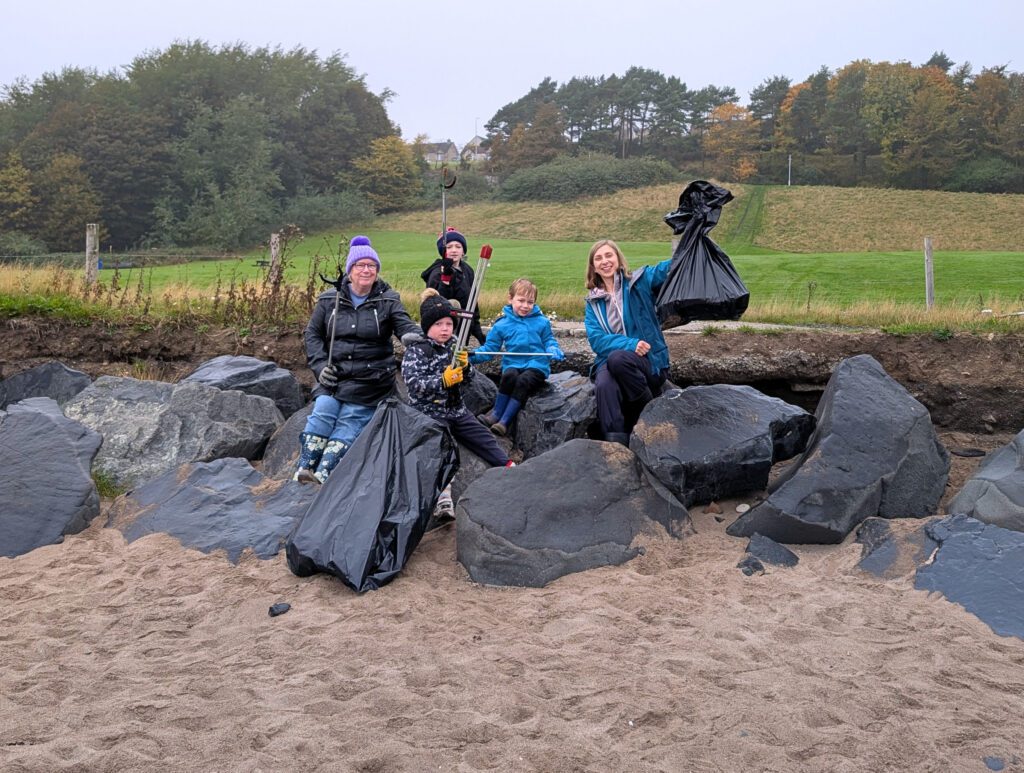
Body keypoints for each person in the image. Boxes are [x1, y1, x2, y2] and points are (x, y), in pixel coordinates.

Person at [295, 235, 421, 484]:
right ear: (350, 270)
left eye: (371, 266)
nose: (366, 270)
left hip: (370, 380)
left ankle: (323, 475)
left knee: (351, 418)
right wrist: (320, 367)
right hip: (334, 376)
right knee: (323, 411)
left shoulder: (388, 300)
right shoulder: (328, 300)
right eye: (360, 265)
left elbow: (404, 324)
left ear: (377, 271)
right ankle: (303, 469)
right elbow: (313, 335)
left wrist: (413, 335)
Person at [402, 288, 513, 518]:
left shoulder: (455, 345)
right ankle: (443, 497)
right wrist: (442, 380)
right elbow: (413, 383)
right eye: (439, 324)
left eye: (449, 324)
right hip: (429, 412)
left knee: (483, 437)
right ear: (427, 327)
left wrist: (466, 367)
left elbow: (470, 379)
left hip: (456, 409)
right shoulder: (416, 351)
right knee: (443, 447)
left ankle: (509, 467)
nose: (445, 329)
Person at [584, 239, 672, 445]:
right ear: (593, 267)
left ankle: (649, 409)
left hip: (649, 362)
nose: (604, 261)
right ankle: (616, 443)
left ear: (618, 259)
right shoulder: (593, 302)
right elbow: (597, 341)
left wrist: (691, 241)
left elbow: (665, 270)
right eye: (598, 258)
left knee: (617, 359)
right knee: (604, 384)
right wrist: (630, 344)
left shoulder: (638, 282)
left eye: (609, 255)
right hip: (615, 359)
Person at [471, 278, 565, 436]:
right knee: (508, 376)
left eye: (530, 302)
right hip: (513, 363)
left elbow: (549, 340)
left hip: (537, 365)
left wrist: (553, 348)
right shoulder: (501, 324)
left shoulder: (542, 322)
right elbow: (490, 349)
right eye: (521, 300)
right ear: (510, 298)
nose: (525, 306)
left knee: (523, 381)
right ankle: (495, 414)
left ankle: (504, 422)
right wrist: (471, 357)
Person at [420, 227, 486, 345]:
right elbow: (437, 306)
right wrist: (445, 279)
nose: (454, 250)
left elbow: (472, 303)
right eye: (449, 247)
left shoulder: (468, 271)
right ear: (443, 252)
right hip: (444, 333)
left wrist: (478, 331)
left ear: (463, 251)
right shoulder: (436, 273)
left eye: (458, 246)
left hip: (465, 328)